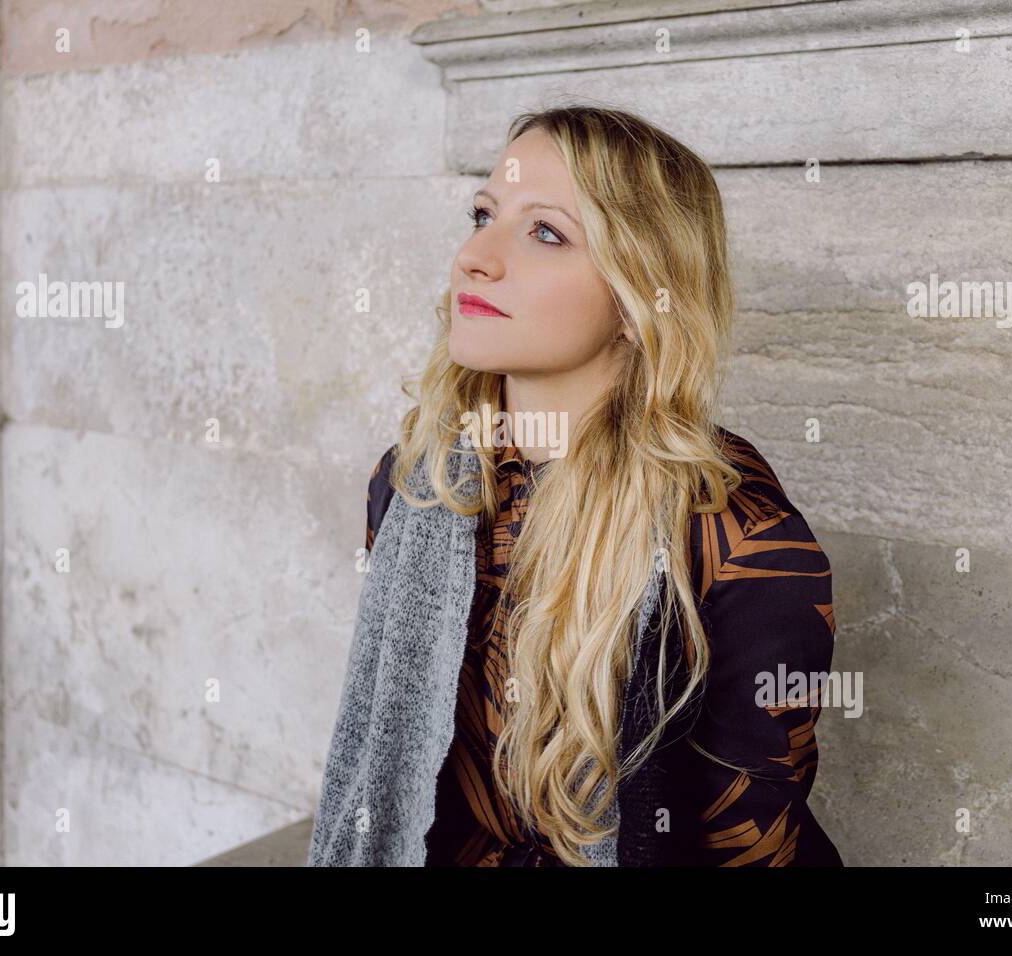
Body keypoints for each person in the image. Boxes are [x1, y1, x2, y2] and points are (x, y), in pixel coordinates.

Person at [308, 105, 842, 867]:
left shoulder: (744, 547)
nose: (474, 257)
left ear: (638, 300)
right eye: (483, 214)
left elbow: (746, 852)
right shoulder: (413, 485)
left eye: (545, 232)